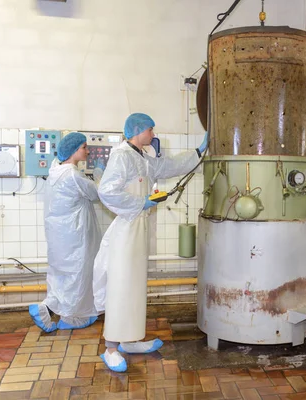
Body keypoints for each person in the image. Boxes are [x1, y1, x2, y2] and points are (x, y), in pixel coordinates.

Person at [93, 113, 208, 372]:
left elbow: (167, 167)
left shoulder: (140, 156)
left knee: (134, 287)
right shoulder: (122, 155)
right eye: (151, 130)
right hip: (126, 230)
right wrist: (141, 203)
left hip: (138, 227)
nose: (153, 135)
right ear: (138, 130)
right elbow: (106, 191)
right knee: (121, 288)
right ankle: (110, 348)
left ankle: (130, 339)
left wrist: (198, 151)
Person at [29, 132, 102, 332]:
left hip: (58, 236)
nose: (88, 151)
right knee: (77, 276)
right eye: (84, 147)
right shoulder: (72, 174)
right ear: (73, 150)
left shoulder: (54, 171)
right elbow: (96, 193)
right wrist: (99, 175)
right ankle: (72, 318)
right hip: (76, 236)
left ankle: (46, 307)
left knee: (60, 275)